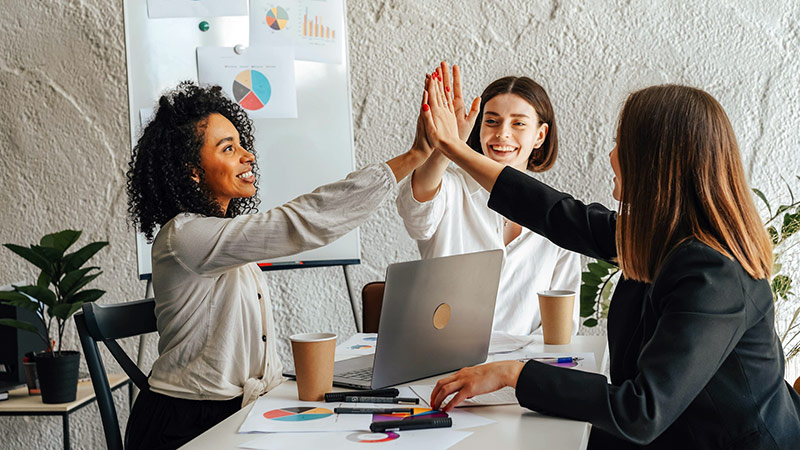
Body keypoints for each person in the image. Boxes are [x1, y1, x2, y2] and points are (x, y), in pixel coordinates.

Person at [421, 68, 800, 448]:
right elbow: (556, 213)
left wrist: (514, 375)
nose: (611, 154)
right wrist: (456, 148)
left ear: (656, 163)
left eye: (622, 143)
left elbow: (640, 411)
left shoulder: (713, 273)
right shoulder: (661, 237)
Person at [124, 81, 432, 449]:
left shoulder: (222, 240)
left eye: (241, 144)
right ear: (192, 171)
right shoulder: (185, 236)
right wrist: (413, 156)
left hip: (235, 412)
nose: (248, 155)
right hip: (184, 424)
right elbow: (299, 222)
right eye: (228, 148)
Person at [396, 63, 580, 335]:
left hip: (519, 370)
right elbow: (416, 212)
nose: (503, 133)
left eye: (518, 123)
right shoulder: (450, 188)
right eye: (491, 121)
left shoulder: (558, 214)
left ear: (540, 135)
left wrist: (518, 372)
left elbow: (562, 325)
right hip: (444, 364)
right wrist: (447, 145)